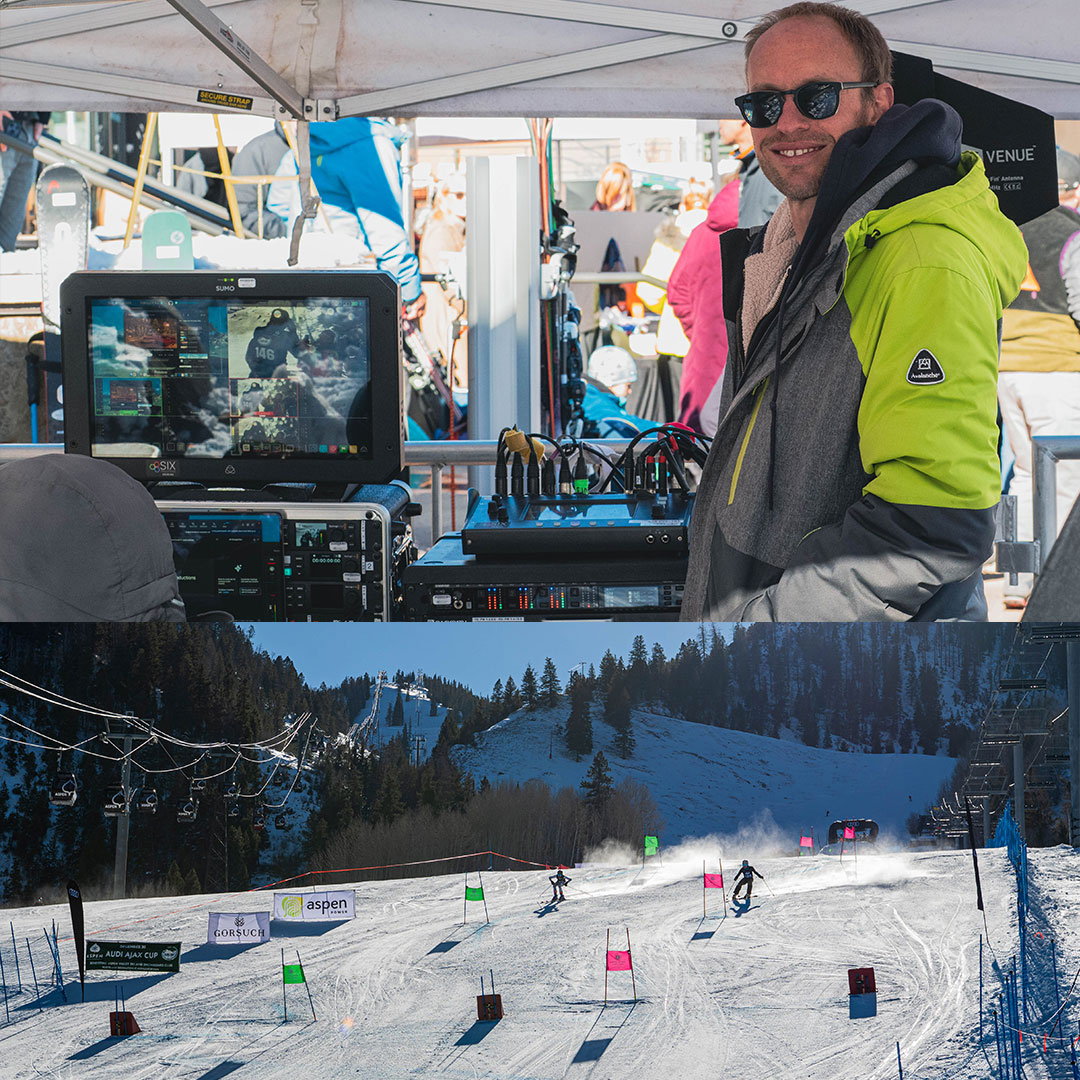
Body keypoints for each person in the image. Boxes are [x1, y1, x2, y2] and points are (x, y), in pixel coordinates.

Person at [682, 1, 1027, 622]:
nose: (786, 122)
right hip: (783, 679)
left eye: (816, 97)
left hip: (853, 690)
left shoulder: (921, 259)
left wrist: (757, 637)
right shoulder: (787, 254)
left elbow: (933, 521)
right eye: (763, 104)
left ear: (879, 100)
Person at [997, 147, 1080, 609]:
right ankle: (1059, 585)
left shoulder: (1005, 228)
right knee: (1064, 476)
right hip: (1057, 368)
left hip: (1006, 367)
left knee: (1024, 476)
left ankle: (1017, 579)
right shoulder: (1071, 233)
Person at [668, 175, 740, 434]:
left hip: (705, 360)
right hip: (740, 361)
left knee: (701, 456)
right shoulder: (767, 229)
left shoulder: (701, 234)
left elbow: (677, 291)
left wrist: (699, 329)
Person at [716, 117, 783, 230]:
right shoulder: (749, 166)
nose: (719, 123)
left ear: (741, 119)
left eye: (724, 117)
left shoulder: (775, 167)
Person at [228, 122, 291, 238]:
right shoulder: (257, 150)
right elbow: (243, 210)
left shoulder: (328, 147)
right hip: (276, 242)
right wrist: (286, 230)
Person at [0, 109, 49, 252]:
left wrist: (43, 118)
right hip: (5, 119)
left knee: (15, 207)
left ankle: (6, 257)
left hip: (29, 124)